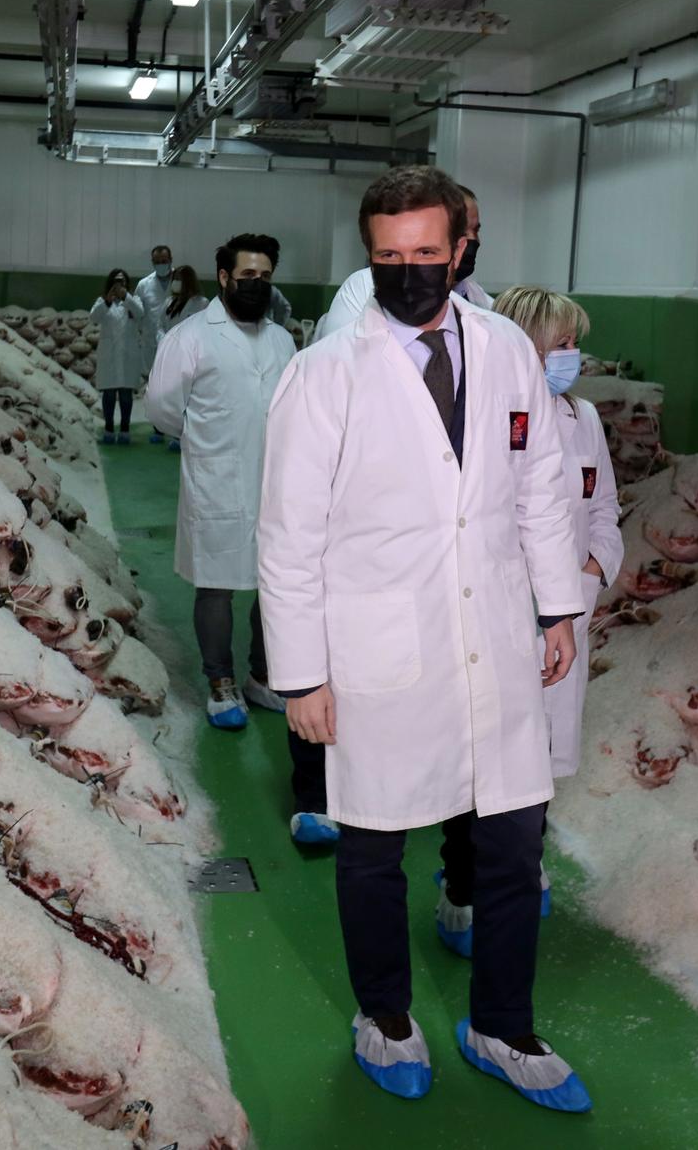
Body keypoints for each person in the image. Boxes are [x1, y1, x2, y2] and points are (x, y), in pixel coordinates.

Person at [258, 165, 592, 1111]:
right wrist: (303, 677)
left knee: (514, 842)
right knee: (372, 848)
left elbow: (539, 484)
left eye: (426, 255)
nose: (408, 273)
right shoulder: (324, 373)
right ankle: (387, 1019)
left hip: (492, 632)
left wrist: (558, 608)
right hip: (376, 648)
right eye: (387, 258)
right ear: (371, 258)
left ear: (461, 250)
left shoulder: (503, 351)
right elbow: (288, 537)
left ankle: (502, 1025)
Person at [433, 286, 623, 954]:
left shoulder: (583, 417)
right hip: (496, 624)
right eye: (561, 343)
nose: (573, 355)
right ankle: (463, 886)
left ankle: (524, 862)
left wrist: (587, 579)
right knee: (484, 763)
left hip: (564, 624)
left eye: (575, 342)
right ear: (523, 346)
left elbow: (603, 515)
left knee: (539, 758)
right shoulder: (481, 419)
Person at [147, 236, 298, 738]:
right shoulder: (191, 336)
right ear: (225, 277)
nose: (257, 285)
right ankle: (221, 681)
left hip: (274, 482)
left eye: (265, 277)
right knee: (216, 587)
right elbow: (164, 408)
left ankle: (260, 675)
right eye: (248, 276)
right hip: (217, 480)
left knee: (271, 586)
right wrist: (206, 438)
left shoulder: (280, 339)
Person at [314, 182, 493, 340]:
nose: (473, 241)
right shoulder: (362, 286)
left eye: (475, 231)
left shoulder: (478, 298)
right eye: (462, 231)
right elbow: (338, 362)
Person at [154, 264, 210, 452]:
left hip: (191, 358)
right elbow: (159, 325)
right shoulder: (169, 301)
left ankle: (188, 436)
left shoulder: (201, 303)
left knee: (189, 399)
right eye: (175, 278)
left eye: (179, 278)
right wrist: (165, 340)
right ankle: (175, 434)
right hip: (170, 356)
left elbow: (205, 330)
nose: (176, 282)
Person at [89, 268, 144, 445]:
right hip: (110, 356)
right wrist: (107, 300)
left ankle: (125, 429)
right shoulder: (103, 302)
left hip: (128, 355)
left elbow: (140, 313)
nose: (119, 285)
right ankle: (109, 428)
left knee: (126, 393)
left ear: (127, 284)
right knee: (109, 394)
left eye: (123, 282)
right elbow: (94, 318)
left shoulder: (133, 300)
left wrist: (126, 296)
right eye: (116, 282)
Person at [133, 245, 175, 442]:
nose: (161, 265)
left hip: (176, 343)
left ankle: (175, 427)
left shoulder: (181, 281)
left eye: (164, 260)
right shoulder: (144, 285)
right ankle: (158, 428)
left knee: (176, 387)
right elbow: (137, 312)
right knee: (156, 388)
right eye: (157, 262)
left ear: (171, 259)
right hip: (152, 342)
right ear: (152, 263)